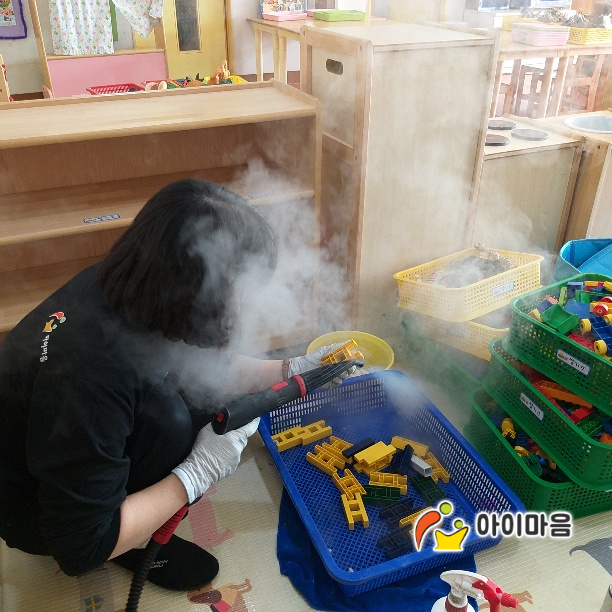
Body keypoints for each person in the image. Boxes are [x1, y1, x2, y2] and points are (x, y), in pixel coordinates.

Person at [0, 179, 341, 591]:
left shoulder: (133, 287)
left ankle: (130, 514)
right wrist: (195, 475)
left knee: (196, 404)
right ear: (200, 294)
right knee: (174, 424)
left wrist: (292, 369)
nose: (249, 305)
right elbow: (77, 548)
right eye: (243, 291)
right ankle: (125, 536)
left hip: (62, 445)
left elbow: (204, 364)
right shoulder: (89, 378)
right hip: (36, 510)